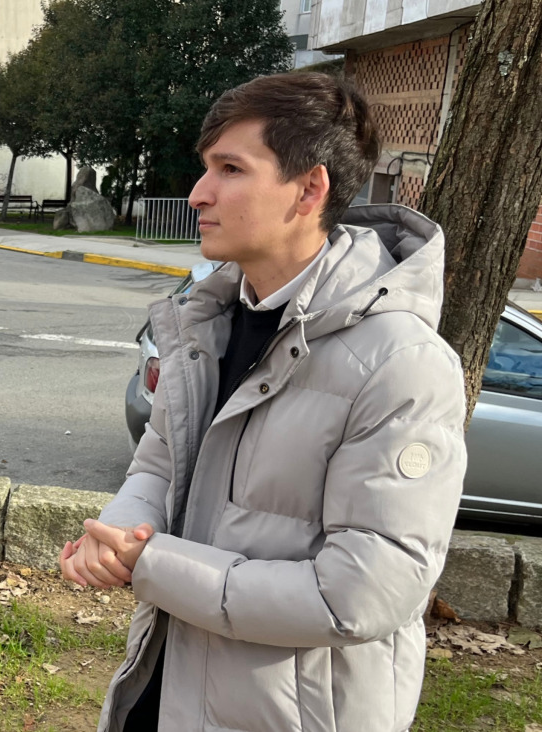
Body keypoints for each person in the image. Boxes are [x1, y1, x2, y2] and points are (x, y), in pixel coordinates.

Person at [61, 72, 467, 732]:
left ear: (310, 189)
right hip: (168, 682)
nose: (198, 194)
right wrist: (118, 536)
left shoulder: (402, 363)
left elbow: (359, 595)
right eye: (205, 168)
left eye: (230, 169)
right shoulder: (207, 322)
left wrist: (153, 565)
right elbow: (157, 466)